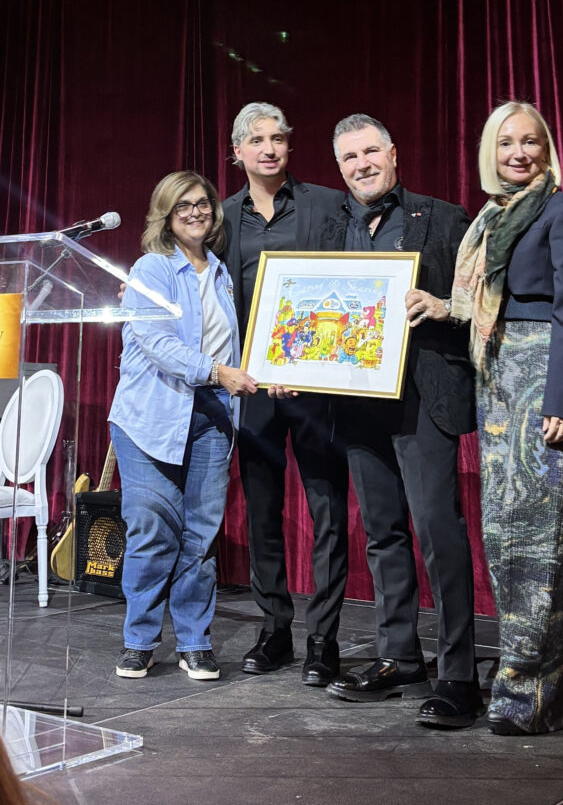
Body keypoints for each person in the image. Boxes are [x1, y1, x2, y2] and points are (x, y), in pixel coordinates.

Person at [412, 101, 563, 735]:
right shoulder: (490, 217)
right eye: (506, 143)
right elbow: (481, 302)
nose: (519, 153)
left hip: (541, 381)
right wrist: (442, 306)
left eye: (530, 142)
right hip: (496, 383)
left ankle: (529, 696)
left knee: (542, 539)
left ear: (547, 149)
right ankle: (532, 691)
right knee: (506, 536)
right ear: (490, 153)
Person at [317, 113, 483, 729]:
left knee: (439, 531)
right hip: (357, 401)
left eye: (370, 152)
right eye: (349, 158)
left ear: (393, 154)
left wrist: (443, 306)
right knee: (383, 533)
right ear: (339, 168)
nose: (361, 165)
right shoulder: (331, 230)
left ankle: (459, 674)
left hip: (423, 398)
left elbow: (482, 303)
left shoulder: (445, 218)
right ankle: (399, 658)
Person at [109, 171, 257, 680]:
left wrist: (267, 375)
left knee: (200, 537)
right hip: (149, 420)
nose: (196, 212)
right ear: (167, 216)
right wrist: (218, 373)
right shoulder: (151, 269)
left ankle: (195, 641)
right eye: (183, 206)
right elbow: (158, 344)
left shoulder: (221, 273)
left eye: (203, 203)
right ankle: (140, 640)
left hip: (212, 417)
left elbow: (233, 344)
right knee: (151, 532)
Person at [222, 102, 349, 686]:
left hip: (318, 385)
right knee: (262, 512)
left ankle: (324, 638)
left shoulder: (327, 203)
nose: (269, 149)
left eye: (277, 138)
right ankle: (275, 628)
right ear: (238, 151)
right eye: (257, 140)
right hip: (253, 386)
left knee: (327, 510)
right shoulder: (223, 218)